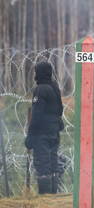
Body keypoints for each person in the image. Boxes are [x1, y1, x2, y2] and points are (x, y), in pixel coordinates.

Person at [25, 61, 64, 194]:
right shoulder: (54, 87)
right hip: (54, 132)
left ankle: (45, 197)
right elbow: (60, 109)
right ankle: (53, 196)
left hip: (42, 134)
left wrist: (30, 136)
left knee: (42, 165)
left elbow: (36, 115)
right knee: (53, 164)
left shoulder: (41, 89)